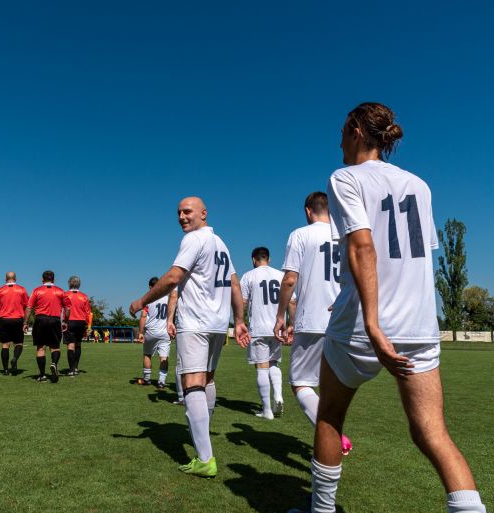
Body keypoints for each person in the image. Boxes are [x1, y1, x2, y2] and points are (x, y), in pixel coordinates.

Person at [286, 103, 488, 513]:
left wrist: (373, 323)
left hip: (362, 326)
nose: (339, 140)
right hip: (419, 325)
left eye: (342, 131)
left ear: (357, 130)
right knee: (433, 434)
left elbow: (363, 247)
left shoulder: (345, 178)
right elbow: (416, 260)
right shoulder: (420, 185)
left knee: (329, 417)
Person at [129, 196, 249, 478]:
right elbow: (234, 284)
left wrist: (141, 301)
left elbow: (173, 277)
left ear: (203, 213)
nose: (182, 217)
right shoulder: (221, 243)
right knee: (207, 380)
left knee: (192, 383)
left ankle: (204, 458)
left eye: (187, 212)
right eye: (179, 213)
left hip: (196, 322)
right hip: (217, 324)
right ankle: (203, 436)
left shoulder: (194, 239)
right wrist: (239, 320)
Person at [274, 192, 353, 454]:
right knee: (331, 385)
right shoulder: (345, 234)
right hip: (343, 319)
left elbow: (289, 280)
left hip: (313, 320)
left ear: (308, 211)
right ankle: (332, 441)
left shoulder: (300, 234)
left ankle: (334, 433)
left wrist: (282, 316)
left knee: (300, 383)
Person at [240, 247, 286, 419]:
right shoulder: (281, 275)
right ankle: (278, 396)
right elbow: (292, 301)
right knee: (274, 363)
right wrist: (291, 324)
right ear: (269, 259)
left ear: (253, 260)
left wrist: (240, 322)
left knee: (261, 367)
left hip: (258, 328)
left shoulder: (248, 276)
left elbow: (243, 302)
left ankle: (267, 410)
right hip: (277, 327)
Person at [23, 271, 71, 383]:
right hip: (55, 320)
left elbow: (29, 308)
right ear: (54, 280)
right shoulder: (61, 291)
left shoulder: (37, 290)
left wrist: (25, 322)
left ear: (42, 279)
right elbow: (68, 309)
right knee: (55, 347)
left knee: (40, 348)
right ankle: (54, 364)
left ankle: (42, 375)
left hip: (40, 320)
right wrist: (65, 321)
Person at [135, 277, 173, 388]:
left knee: (147, 354)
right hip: (165, 332)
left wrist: (140, 332)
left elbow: (143, 316)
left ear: (150, 287)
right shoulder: (168, 298)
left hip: (151, 332)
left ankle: (147, 379)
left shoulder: (148, 299)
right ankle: (161, 382)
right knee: (164, 357)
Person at [0, 272, 28, 375]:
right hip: (18, 319)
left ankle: (6, 370)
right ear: (15, 278)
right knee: (19, 343)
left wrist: (1, 307)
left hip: (4, 320)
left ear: (5, 278)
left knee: (5, 345)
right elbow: (27, 305)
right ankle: (15, 359)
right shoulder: (22, 289)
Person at [63, 275, 92, 376]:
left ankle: (71, 370)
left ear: (69, 283)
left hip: (69, 322)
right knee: (78, 344)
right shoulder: (84, 296)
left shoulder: (65, 295)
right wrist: (88, 326)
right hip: (81, 322)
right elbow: (88, 312)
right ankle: (75, 368)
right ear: (79, 284)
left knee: (70, 345)